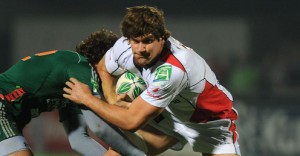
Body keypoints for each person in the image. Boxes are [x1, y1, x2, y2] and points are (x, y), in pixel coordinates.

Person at [63, 5, 241, 156]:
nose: (141, 49)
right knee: (122, 151)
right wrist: (112, 99)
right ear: (128, 39)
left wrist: (87, 98)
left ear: (162, 39)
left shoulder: (173, 70)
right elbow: (103, 68)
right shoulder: (123, 47)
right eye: (136, 41)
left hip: (209, 124)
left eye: (148, 41)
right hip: (167, 114)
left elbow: (130, 122)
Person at [0, 28, 145, 156]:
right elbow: (99, 128)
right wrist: (136, 153)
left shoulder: (74, 88)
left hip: (9, 112)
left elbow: (78, 140)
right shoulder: (83, 68)